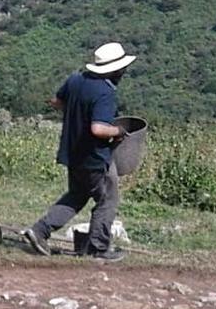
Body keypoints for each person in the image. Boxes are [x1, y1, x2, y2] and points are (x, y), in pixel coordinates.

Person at [22, 42, 136, 262]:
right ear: (115, 70)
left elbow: (57, 101)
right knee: (107, 200)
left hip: (73, 152)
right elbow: (98, 129)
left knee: (77, 195)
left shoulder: (76, 79)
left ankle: (39, 231)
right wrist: (118, 131)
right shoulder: (105, 93)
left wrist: (77, 113)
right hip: (94, 157)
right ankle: (98, 248)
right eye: (122, 69)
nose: (124, 72)